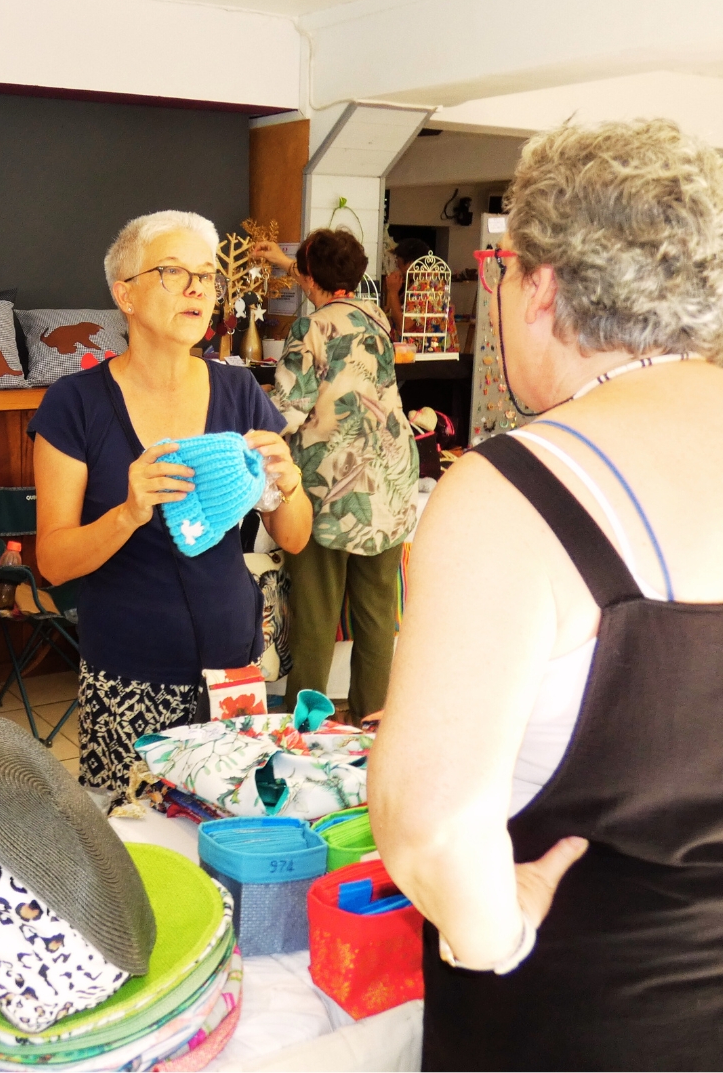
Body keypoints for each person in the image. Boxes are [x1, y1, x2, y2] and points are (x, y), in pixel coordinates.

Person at [369, 119, 723, 1069]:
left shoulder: (513, 491)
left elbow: (432, 827)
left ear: (539, 284)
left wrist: (495, 934)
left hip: (594, 1022)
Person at [30, 210, 312, 790]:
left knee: (230, 825)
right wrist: (128, 513)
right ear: (125, 295)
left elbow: (295, 536)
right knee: (131, 834)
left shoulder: (239, 391)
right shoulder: (75, 404)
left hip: (234, 669)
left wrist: (289, 486)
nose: (197, 288)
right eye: (174, 272)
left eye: (206, 276)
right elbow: (53, 562)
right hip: (128, 677)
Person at [252, 230, 419, 722]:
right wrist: (289, 262)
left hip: (331, 486)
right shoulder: (376, 316)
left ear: (308, 277)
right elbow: (325, 282)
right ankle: (371, 728)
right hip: (389, 483)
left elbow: (286, 410)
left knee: (316, 617)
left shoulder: (311, 328)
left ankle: (304, 732)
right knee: (376, 617)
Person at [383, 237, 431, 339]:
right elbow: (390, 312)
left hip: (426, 346)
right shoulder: (422, 282)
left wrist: (393, 292)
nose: (396, 264)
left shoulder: (424, 287)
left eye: (398, 259)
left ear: (410, 262)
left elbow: (404, 325)